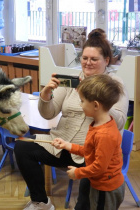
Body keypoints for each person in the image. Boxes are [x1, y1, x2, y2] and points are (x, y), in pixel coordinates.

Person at [14, 28, 129, 210]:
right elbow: (48, 114)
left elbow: (120, 121)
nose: (88, 63)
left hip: (90, 152)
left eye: (94, 59)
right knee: (21, 147)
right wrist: (46, 94)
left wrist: (95, 98)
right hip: (62, 145)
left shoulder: (113, 85)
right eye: (84, 58)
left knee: (90, 189)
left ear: (106, 61)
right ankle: (41, 202)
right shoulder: (72, 81)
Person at [52, 74, 125, 210]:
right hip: (99, 184)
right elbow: (90, 150)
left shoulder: (104, 134)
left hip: (106, 188)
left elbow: (99, 167)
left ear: (95, 105)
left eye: (82, 101)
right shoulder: (98, 124)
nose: (80, 105)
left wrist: (78, 173)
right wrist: (68, 145)